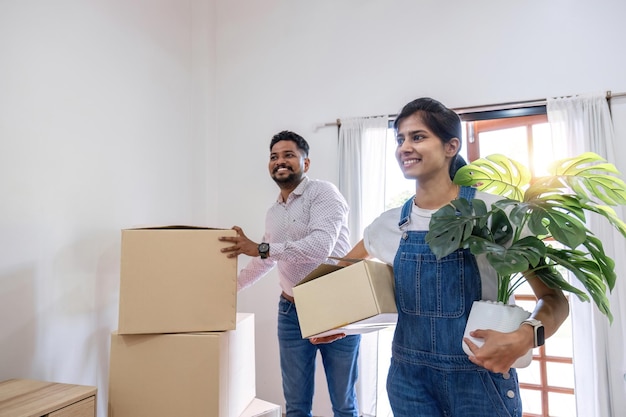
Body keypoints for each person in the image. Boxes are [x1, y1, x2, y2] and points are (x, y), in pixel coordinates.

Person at [341, 97, 570, 417]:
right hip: (409, 383)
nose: (404, 146)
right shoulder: (389, 225)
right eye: (400, 138)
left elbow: (554, 298)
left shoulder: (498, 213)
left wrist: (524, 337)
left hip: (479, 381)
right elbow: (342, 272)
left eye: (417, 136)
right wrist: (336, 319)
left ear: (451, 146)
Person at [218, 130, 361, 417]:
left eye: (288, 155)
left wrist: (259, 247)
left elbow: (319, 247)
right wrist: (227, 289)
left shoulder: (323, 193)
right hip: (291, 311)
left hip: (337, 307)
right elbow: (267, 260)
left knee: (344, 406)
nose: (280, 161)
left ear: (305, 164)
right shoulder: (273, 212)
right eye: (274, 157)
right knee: (295, 407)